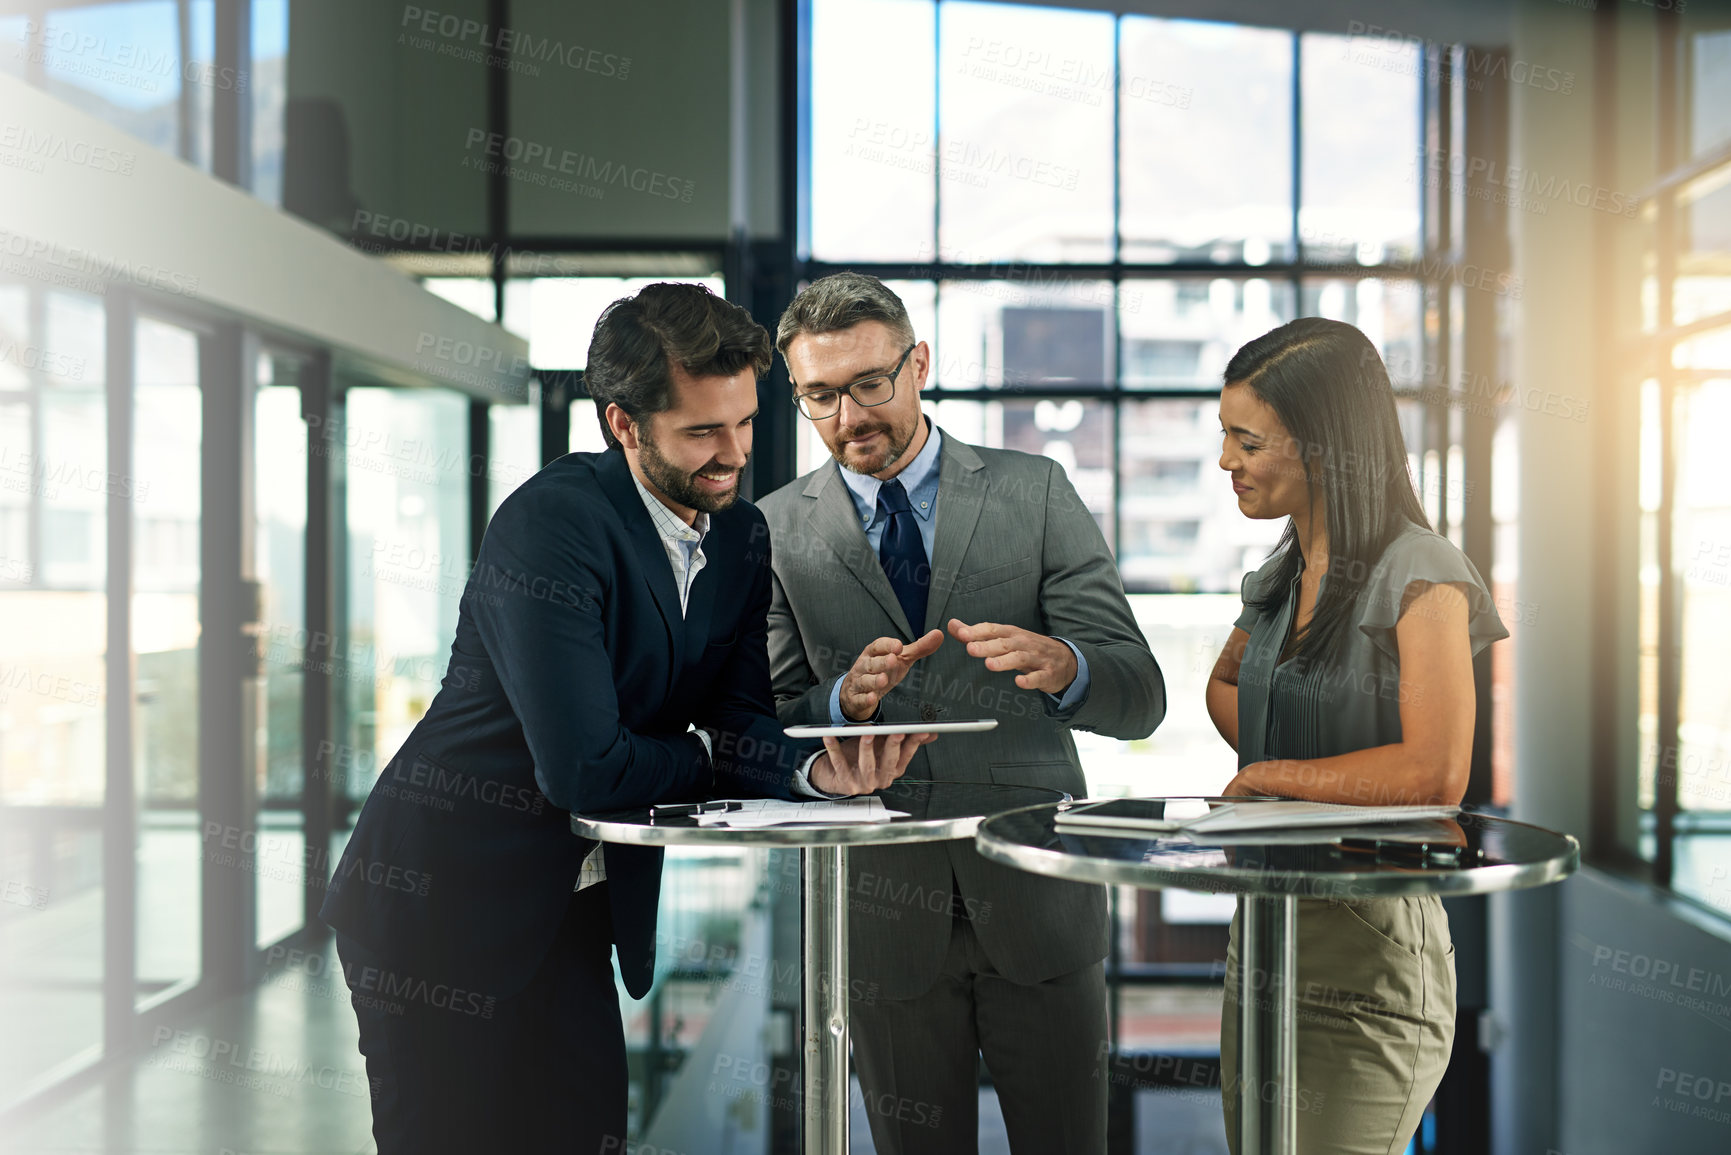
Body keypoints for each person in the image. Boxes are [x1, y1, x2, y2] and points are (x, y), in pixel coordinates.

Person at [319, 283, 931, 1154]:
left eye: (746, 424)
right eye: (701, 433)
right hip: (441, 907)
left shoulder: (739, 537)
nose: (732, 456)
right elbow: (583, 771)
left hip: (569, 907)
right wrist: (705, 752)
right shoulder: (553, 523)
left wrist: (814, 769)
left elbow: (740, 717)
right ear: (623, 424)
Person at [759, 272, 1166, 1154]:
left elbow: (1140, 692)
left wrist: (1067, 666)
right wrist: (836, 704)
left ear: (919, 364)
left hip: (1038, 899)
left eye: (870, 383)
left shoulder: (1035, 490)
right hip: (878, 913)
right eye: (819, 396)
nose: (849, 416)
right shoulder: (774, 530)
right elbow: (763, 720)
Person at [1203, 317, 1509, 1154]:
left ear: (1325, 446)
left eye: (1246, 439)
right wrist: (1291, 763)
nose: (1225, 460)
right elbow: (1225, 685)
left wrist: (1277, 776)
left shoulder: (1424, 573)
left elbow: (1434, 771)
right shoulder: (1282, 570)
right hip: (1265, 933)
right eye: (1223, 436)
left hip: (1366, 956)